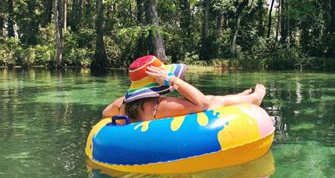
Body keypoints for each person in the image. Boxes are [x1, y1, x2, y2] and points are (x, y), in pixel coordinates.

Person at [102, 55, 266, 122]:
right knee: (212, 101)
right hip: (171, 122)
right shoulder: (160, 106)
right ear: (156, 81)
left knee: (209, 98)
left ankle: (240, 96)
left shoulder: (123, 105)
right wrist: (172, 80)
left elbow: (105, 113)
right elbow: (203, 105)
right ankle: (253, 99)